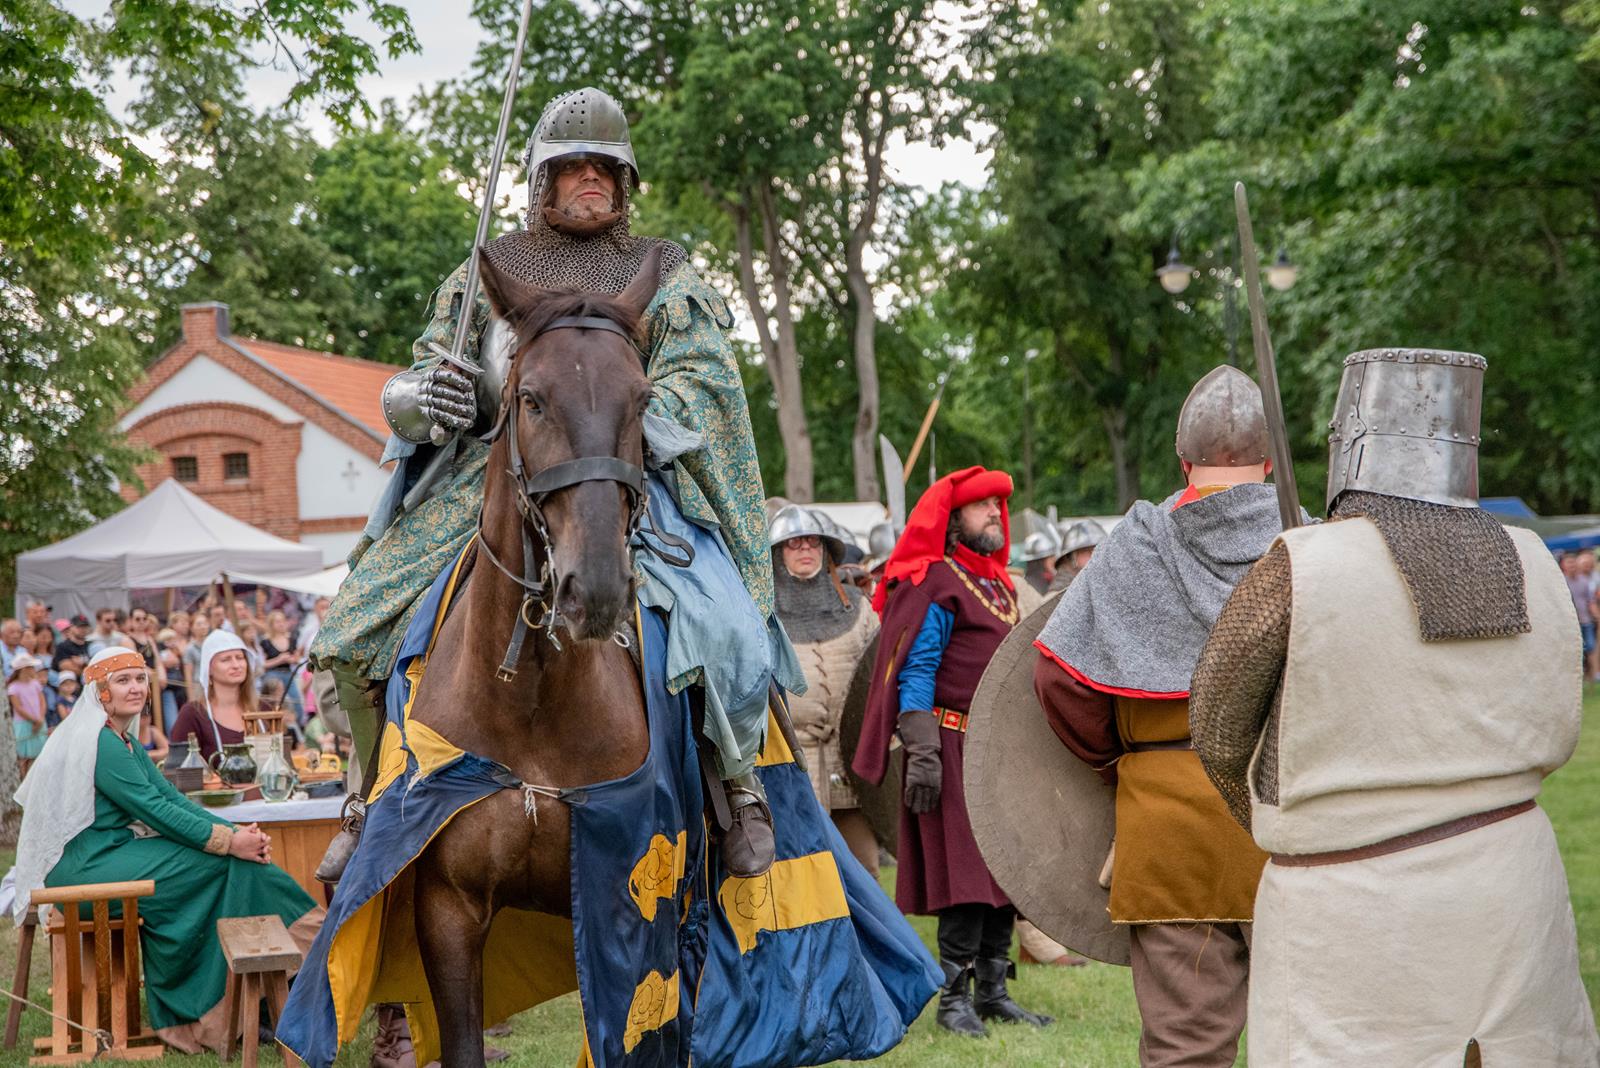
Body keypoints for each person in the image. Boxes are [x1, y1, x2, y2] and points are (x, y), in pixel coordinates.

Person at [310, 86, 796, 895]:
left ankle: (734, 788)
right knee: (352, 627)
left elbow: (705, 382)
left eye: (605, 167)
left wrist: (621, 413)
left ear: (626, 180)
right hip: (499, 476)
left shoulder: (667, 275)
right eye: (572, 167)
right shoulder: (491, 270)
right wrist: (429, 394)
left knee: (729, 627)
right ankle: (367, 800)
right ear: (542, 181)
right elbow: (424, 370)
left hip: (631, 477)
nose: (590, 179)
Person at [1188, 348, 1597, 1065]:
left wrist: (1272, 810)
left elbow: (1217, 727)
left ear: (1348, 442)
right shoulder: (1535, 559)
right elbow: (1559, 707)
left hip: (1355, 909)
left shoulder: (1300, 565)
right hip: (1512, 878)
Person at [1032, 365, 1283, 1068]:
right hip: (1295, 824)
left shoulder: (1133, 543)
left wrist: (1115, 762)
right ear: (1269, 463)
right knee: (1314, 1043)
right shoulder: (1310, 543)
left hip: (1169, 827)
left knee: (1183, 1051)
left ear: (1183, 462)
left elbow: (1058, 677)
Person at [11, 647, 322, 1053]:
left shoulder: (122, 740)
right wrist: (230, 843)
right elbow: (155, 811)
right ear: (101, 691)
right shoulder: (101, 742)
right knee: (224, 866)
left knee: (229, 866)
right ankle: (233, 1001)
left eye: (140, 679)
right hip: (85, 867)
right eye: (123, 681)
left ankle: (254, 1000)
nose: (136, 688)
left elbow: (171, 798)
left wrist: (236, 833)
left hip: (111, 855)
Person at [853, 466, 1053, 1038]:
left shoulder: (1000, 585)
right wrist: (923, 752)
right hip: (951, 744)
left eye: (998, 504)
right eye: (982, 504)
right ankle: (954, 999)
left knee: (1003, 872)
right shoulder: (937, 582)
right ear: (953, 519)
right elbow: (916, 670)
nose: (995, 512)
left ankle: (993, 991)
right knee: (965, 878)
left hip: (1000, 750)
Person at [768, 505, 881, 875]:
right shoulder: (763, 614)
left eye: (813, 541)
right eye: (794, 542)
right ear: (777, 553)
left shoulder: (859, 610)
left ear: (826, 550)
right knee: (804, 873)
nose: (805, 548)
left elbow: (879, 677)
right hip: (793, 764)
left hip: (850, 760)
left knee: (865, 869)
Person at [169, 630, 256, 767]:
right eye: (226, 660)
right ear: (208, 668)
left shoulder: (262, 710)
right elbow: (178, 768)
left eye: (240, 657)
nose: (236, 665)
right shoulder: (193, 714)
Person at [7, 653, 48, 778]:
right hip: (24, 724)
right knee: (24, 756)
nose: (34, 670)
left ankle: (34, 780)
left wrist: (40, 718)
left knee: (37, 754)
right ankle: (23, 780)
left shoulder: (35, 683)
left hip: (39, 721)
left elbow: (42, 701)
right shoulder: (13, 687)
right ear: (24, 669)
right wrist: (35, 720)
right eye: (31, 667)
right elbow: (18, 707)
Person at [1048, 519, 1106, 592]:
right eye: (1087, 551)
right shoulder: (1060, 590)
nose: (1095, 555)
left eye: (1099, 550)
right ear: (1071, 557)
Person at [183, 613, 211, 701]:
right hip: (198, 686)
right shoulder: (190, 648)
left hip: (214, 683)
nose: (203, 627)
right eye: (199, 624)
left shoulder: (214, 644)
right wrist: (191, 696)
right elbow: (188, 673)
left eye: (205, 623)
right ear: (192, 628)